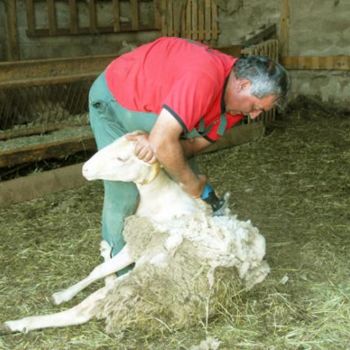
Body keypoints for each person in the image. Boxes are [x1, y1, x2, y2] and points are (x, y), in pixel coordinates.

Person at [88, 36, 289, 266]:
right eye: (254, 107)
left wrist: (176, 166)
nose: (254, 115)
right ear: (243, 85)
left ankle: (177, 259)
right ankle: (117, 267)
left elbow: (191, 147)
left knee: (179, 172)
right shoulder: (204, 78)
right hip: (117, 96)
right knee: (126, 191)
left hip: (157, 112)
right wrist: (188, 181)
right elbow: (165, 143)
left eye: (259, 111)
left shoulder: (234, 108)